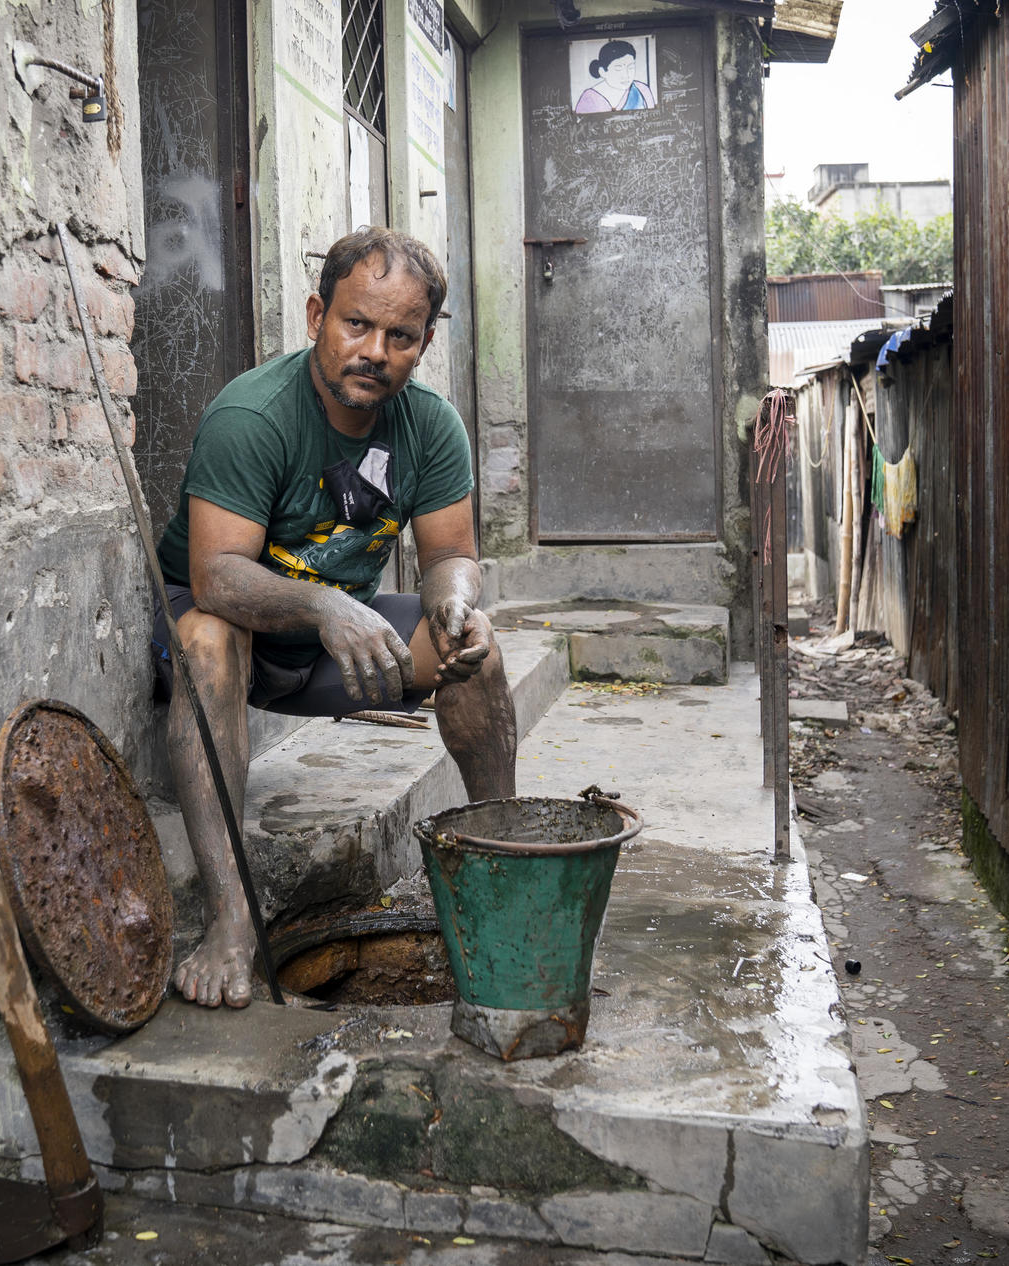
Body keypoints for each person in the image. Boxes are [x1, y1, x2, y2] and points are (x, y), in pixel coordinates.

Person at [151, 227, 518, 1009]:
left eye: (401, 336)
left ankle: (504, 864)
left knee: (474, 651)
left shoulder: (430, 426)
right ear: (317, 314)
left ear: (422, 345)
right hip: (236, 627)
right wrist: (324, 605)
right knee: (210, 644)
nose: (376, 351)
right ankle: (229, 922)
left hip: (332, 647)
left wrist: (455, 602)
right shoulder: (253, 416)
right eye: (357, 323)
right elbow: (214, 577)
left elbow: (452, 553)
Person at [575, 40, 653, 113]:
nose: (626, 75)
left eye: (630, 67)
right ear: (602, 71)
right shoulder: (589, 98)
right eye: (618, 69)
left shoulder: (642, 89)